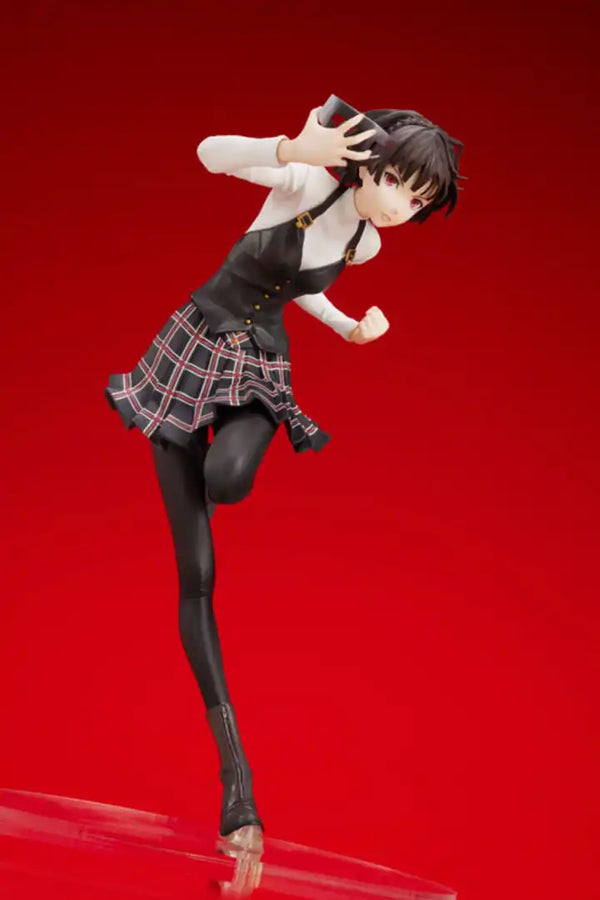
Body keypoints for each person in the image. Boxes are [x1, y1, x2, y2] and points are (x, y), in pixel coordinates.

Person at [105, 97, 464, 847]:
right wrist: (292, 148)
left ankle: (224, 459)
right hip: (190, 350)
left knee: (229, 479)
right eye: (396, 182)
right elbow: (208, 153)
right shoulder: (305, 179)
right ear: (369, 163)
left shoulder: (366, 241)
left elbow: (306, 286)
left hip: (260, 364)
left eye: (417, 200)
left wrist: (347, 327)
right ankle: (237, 783)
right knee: (197, 576)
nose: (400, 205)